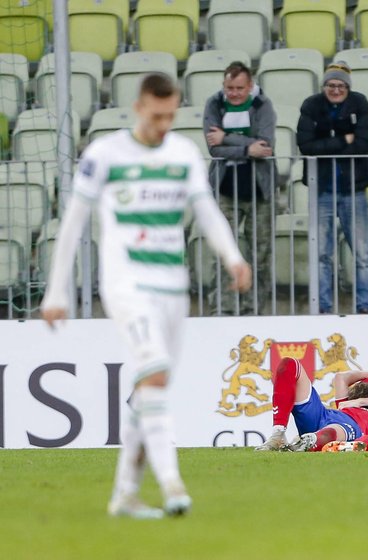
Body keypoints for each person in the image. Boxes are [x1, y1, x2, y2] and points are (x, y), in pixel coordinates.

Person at [41, 73, 252, 519]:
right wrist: (56, 291)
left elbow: (206, 211)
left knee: (150, 388)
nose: (163, 124)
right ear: (139, 107)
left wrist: (233, 256)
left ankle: (125, 495)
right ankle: (173, 484)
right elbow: (73, 223)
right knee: (154, 376)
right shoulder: (105, 154)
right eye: (156, 115)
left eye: (170, 115)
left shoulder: (182, 153)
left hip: (172, 287)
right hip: (126, 283)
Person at [296, 61, 368, 314]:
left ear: (348, 88)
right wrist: (343, 139)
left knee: (362, 254)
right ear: (324, 86)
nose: (336, 89)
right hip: (322, 191)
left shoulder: (360, 104)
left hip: (354, 190)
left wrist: (327, 142)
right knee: (322, 254)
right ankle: (323, 308)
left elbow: (363, 144)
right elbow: (306, 145)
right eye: (331, 84)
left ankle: (364, 307)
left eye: (341, 85)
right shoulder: (310, 105)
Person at [204, 61, 278, 315]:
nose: (234, 93)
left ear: (249, 86)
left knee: (261, 252)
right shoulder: (214, 104)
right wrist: (248, 148)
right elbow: (213, 147)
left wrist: (227, 138)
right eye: (229, 88)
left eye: (239, 88)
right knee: (224, 251)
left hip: (260, 191)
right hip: (225, 190)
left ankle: (253, 308)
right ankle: (223, 308)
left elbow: (266, 145)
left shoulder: (263, 105)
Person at [254, 357, 368, 452]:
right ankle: (279, 433)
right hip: (325, 417)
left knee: (336, 431)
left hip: (346, 427)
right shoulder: (347, 404)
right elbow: (340, 377)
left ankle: (309, 440)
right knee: (289, 364)